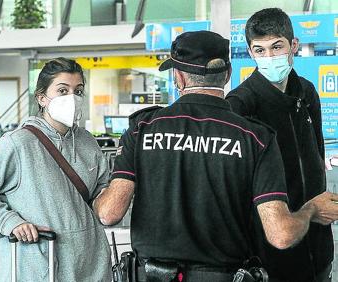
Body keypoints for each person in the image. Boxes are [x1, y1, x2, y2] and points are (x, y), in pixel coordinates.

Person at [93, 31, 338, 282]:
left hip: (152, 275)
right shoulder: (255, 137)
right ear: (228, 75)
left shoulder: (142, 128)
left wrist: (95, 197)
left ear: (178, 77)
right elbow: (281, 234)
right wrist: (310, 210)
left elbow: (109, 213)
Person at [0, 58, 112, 282]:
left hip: (91, 265)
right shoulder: (17, 143)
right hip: (39, 266)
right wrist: (9, 221)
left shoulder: (88, 142)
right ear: (42, 98)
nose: (72, 98)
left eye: (78, 91)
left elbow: (101, 189)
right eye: (62, 90)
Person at [225, 8, 334, 282]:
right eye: (259, 50)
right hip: (268, 257)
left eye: (276, 47)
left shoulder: (307, 93)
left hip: (318, 249)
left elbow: (316, 156)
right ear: (250, 54)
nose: (269, 57)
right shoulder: (240, 104)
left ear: (293, 46)